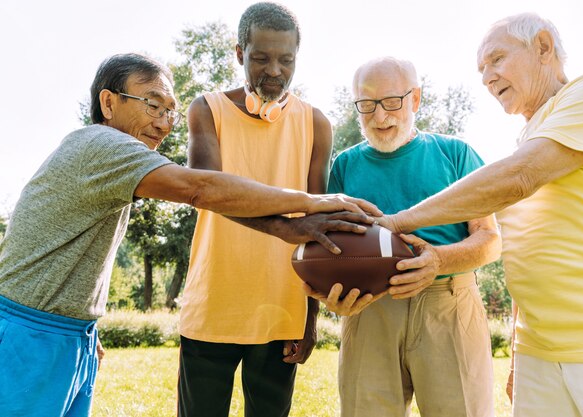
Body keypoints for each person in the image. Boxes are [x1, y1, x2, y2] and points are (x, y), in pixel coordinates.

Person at [0, 52, 379, 417]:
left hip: (66, 332)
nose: (164, 123)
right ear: (109, 102)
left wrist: (84, 326)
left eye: (170, 111)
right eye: (152, 105)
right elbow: (201, 189)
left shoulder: (114, 161)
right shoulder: (102, 145)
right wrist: (312, 203)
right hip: (27, 331)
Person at [377, 13, 583, 417]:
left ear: (543, 47)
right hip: (539, 353)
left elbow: (519, 177)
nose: (486, 77)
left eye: (496, 60)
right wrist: (516, 350)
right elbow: (527, 253)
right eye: (481, 69)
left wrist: (398, 221)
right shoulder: (528, 137)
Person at [307, 56, 502, 417]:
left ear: (415, 100)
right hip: (368, 309)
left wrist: (440, 260)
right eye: (367, 105)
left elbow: (490, 240)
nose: (380, 117)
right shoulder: (345, 166)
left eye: (391, 102)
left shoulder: (456, 154)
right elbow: (328, 246)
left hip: (447, 304)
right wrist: (329, 292)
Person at [176, 3, 339, 417]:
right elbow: (206, 191)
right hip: (213, 303)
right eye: (261, 58)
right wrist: (281, 227)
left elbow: (316, 229)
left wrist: (310, 316)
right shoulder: (206, 110)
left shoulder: (316, 123)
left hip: (282, 308)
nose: (274, 71)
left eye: (286, 60)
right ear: (239, 54)